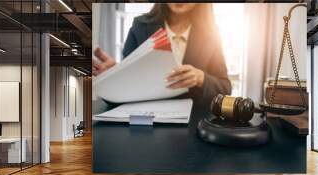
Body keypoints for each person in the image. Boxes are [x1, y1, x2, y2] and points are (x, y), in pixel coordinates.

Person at [93, 3, 231, 104]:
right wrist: (113, 78)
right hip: (146, 121)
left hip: (195, 123)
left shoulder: (211, 35)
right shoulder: (140, 26)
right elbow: (126, 89)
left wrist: (201, 78)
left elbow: (225, 88)